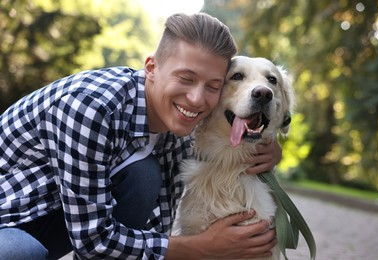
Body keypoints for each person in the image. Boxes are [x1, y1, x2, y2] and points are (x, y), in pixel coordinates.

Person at [0, 12, 281, 259]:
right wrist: (201, 248)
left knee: (143, 174)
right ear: (151, 68)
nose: (196, 99)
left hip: (56, 218)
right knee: (23, 252)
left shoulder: (180, 122)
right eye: (185, 79)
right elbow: (93, 241)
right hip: (9, 221)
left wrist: (268, 145)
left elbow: (157, 227)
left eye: (213, 85)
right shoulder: (90, 107)